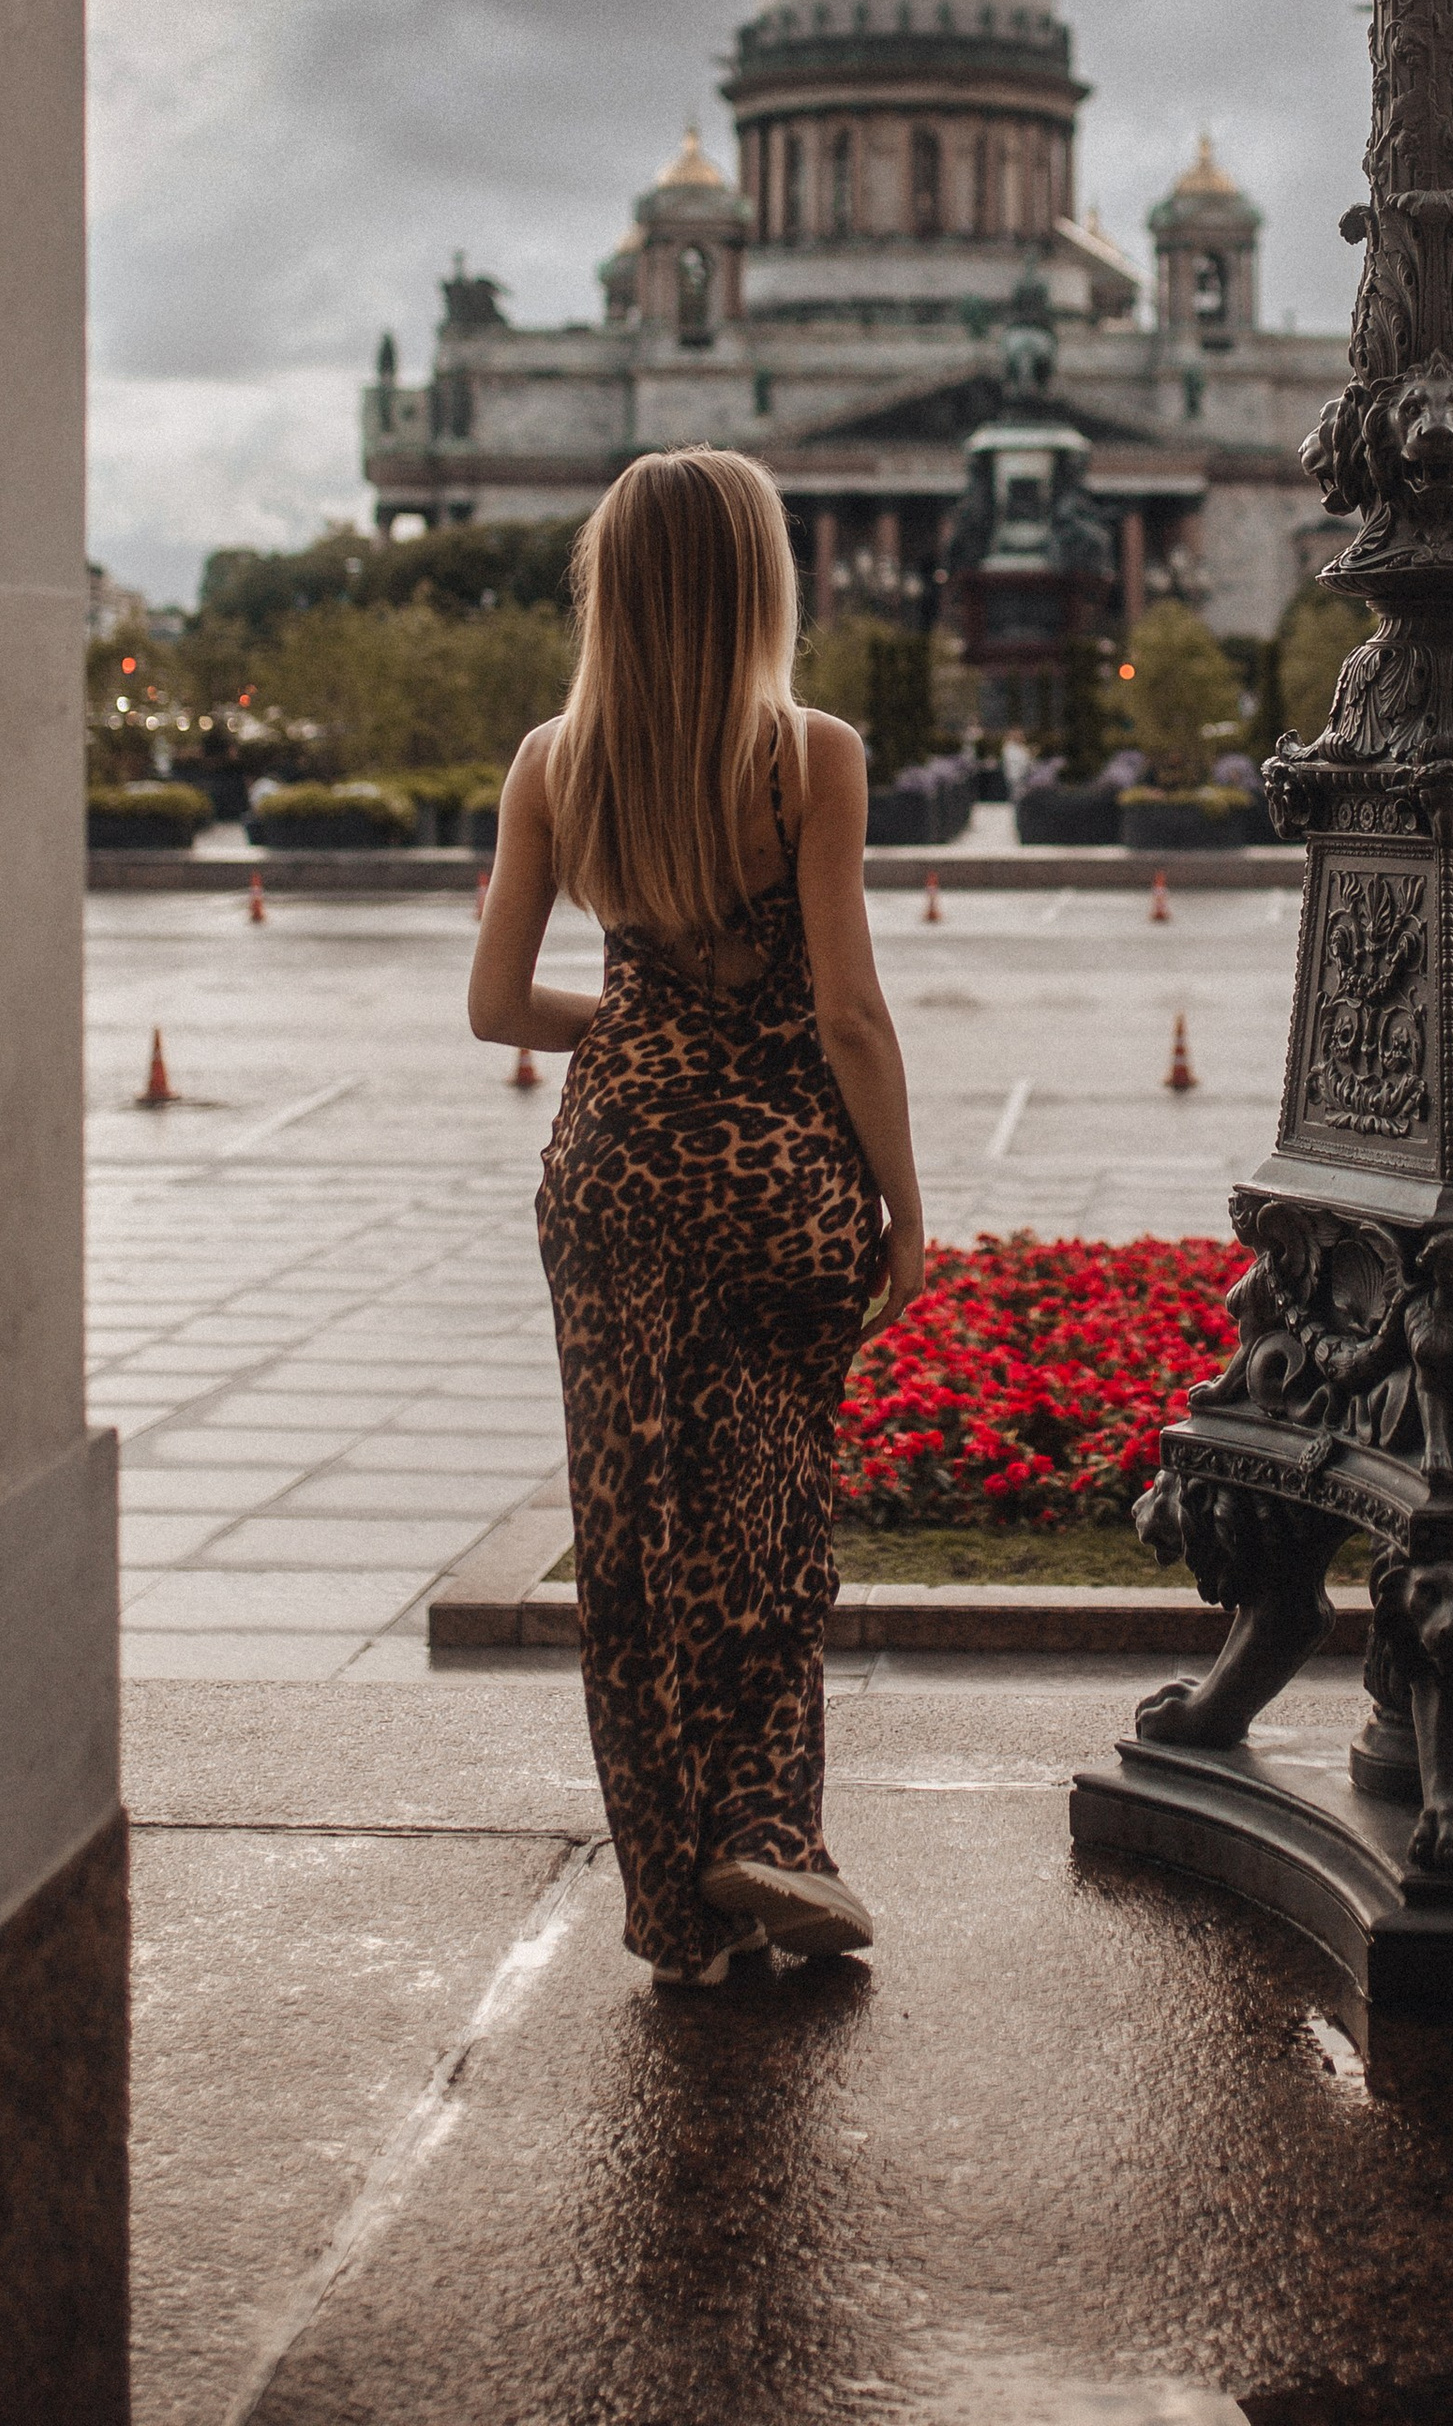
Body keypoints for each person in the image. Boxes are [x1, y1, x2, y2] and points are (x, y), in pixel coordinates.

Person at [469, 448, 925, 1990]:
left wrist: (623, 1027)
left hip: (609, 1181)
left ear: (613, 581)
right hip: (779, 1172)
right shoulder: (811, 755)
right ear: (761, 581)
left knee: (632, 1534)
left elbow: (491, 1007)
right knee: (769, 1517)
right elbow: (851, 1011)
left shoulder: (554, 760)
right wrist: (906, 1208)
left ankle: (675, 1908)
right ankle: (768, 1833)